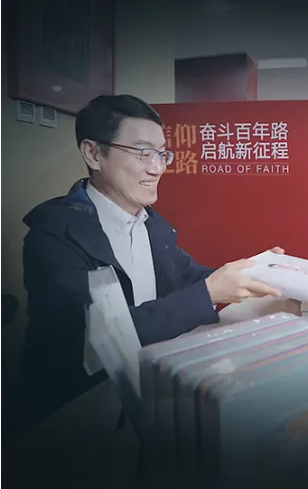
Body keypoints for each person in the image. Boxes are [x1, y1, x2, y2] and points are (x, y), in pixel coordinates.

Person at [19, 94, 284, 423]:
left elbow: (189, 275)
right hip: (76, 411)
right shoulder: (55, 235)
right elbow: (94, 341)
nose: (157, 168)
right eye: (142, 153)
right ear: (93, 153)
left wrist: (258, 272)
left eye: (161, 153)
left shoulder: (153, 225)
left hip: (146, 390)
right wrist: (208, 294)